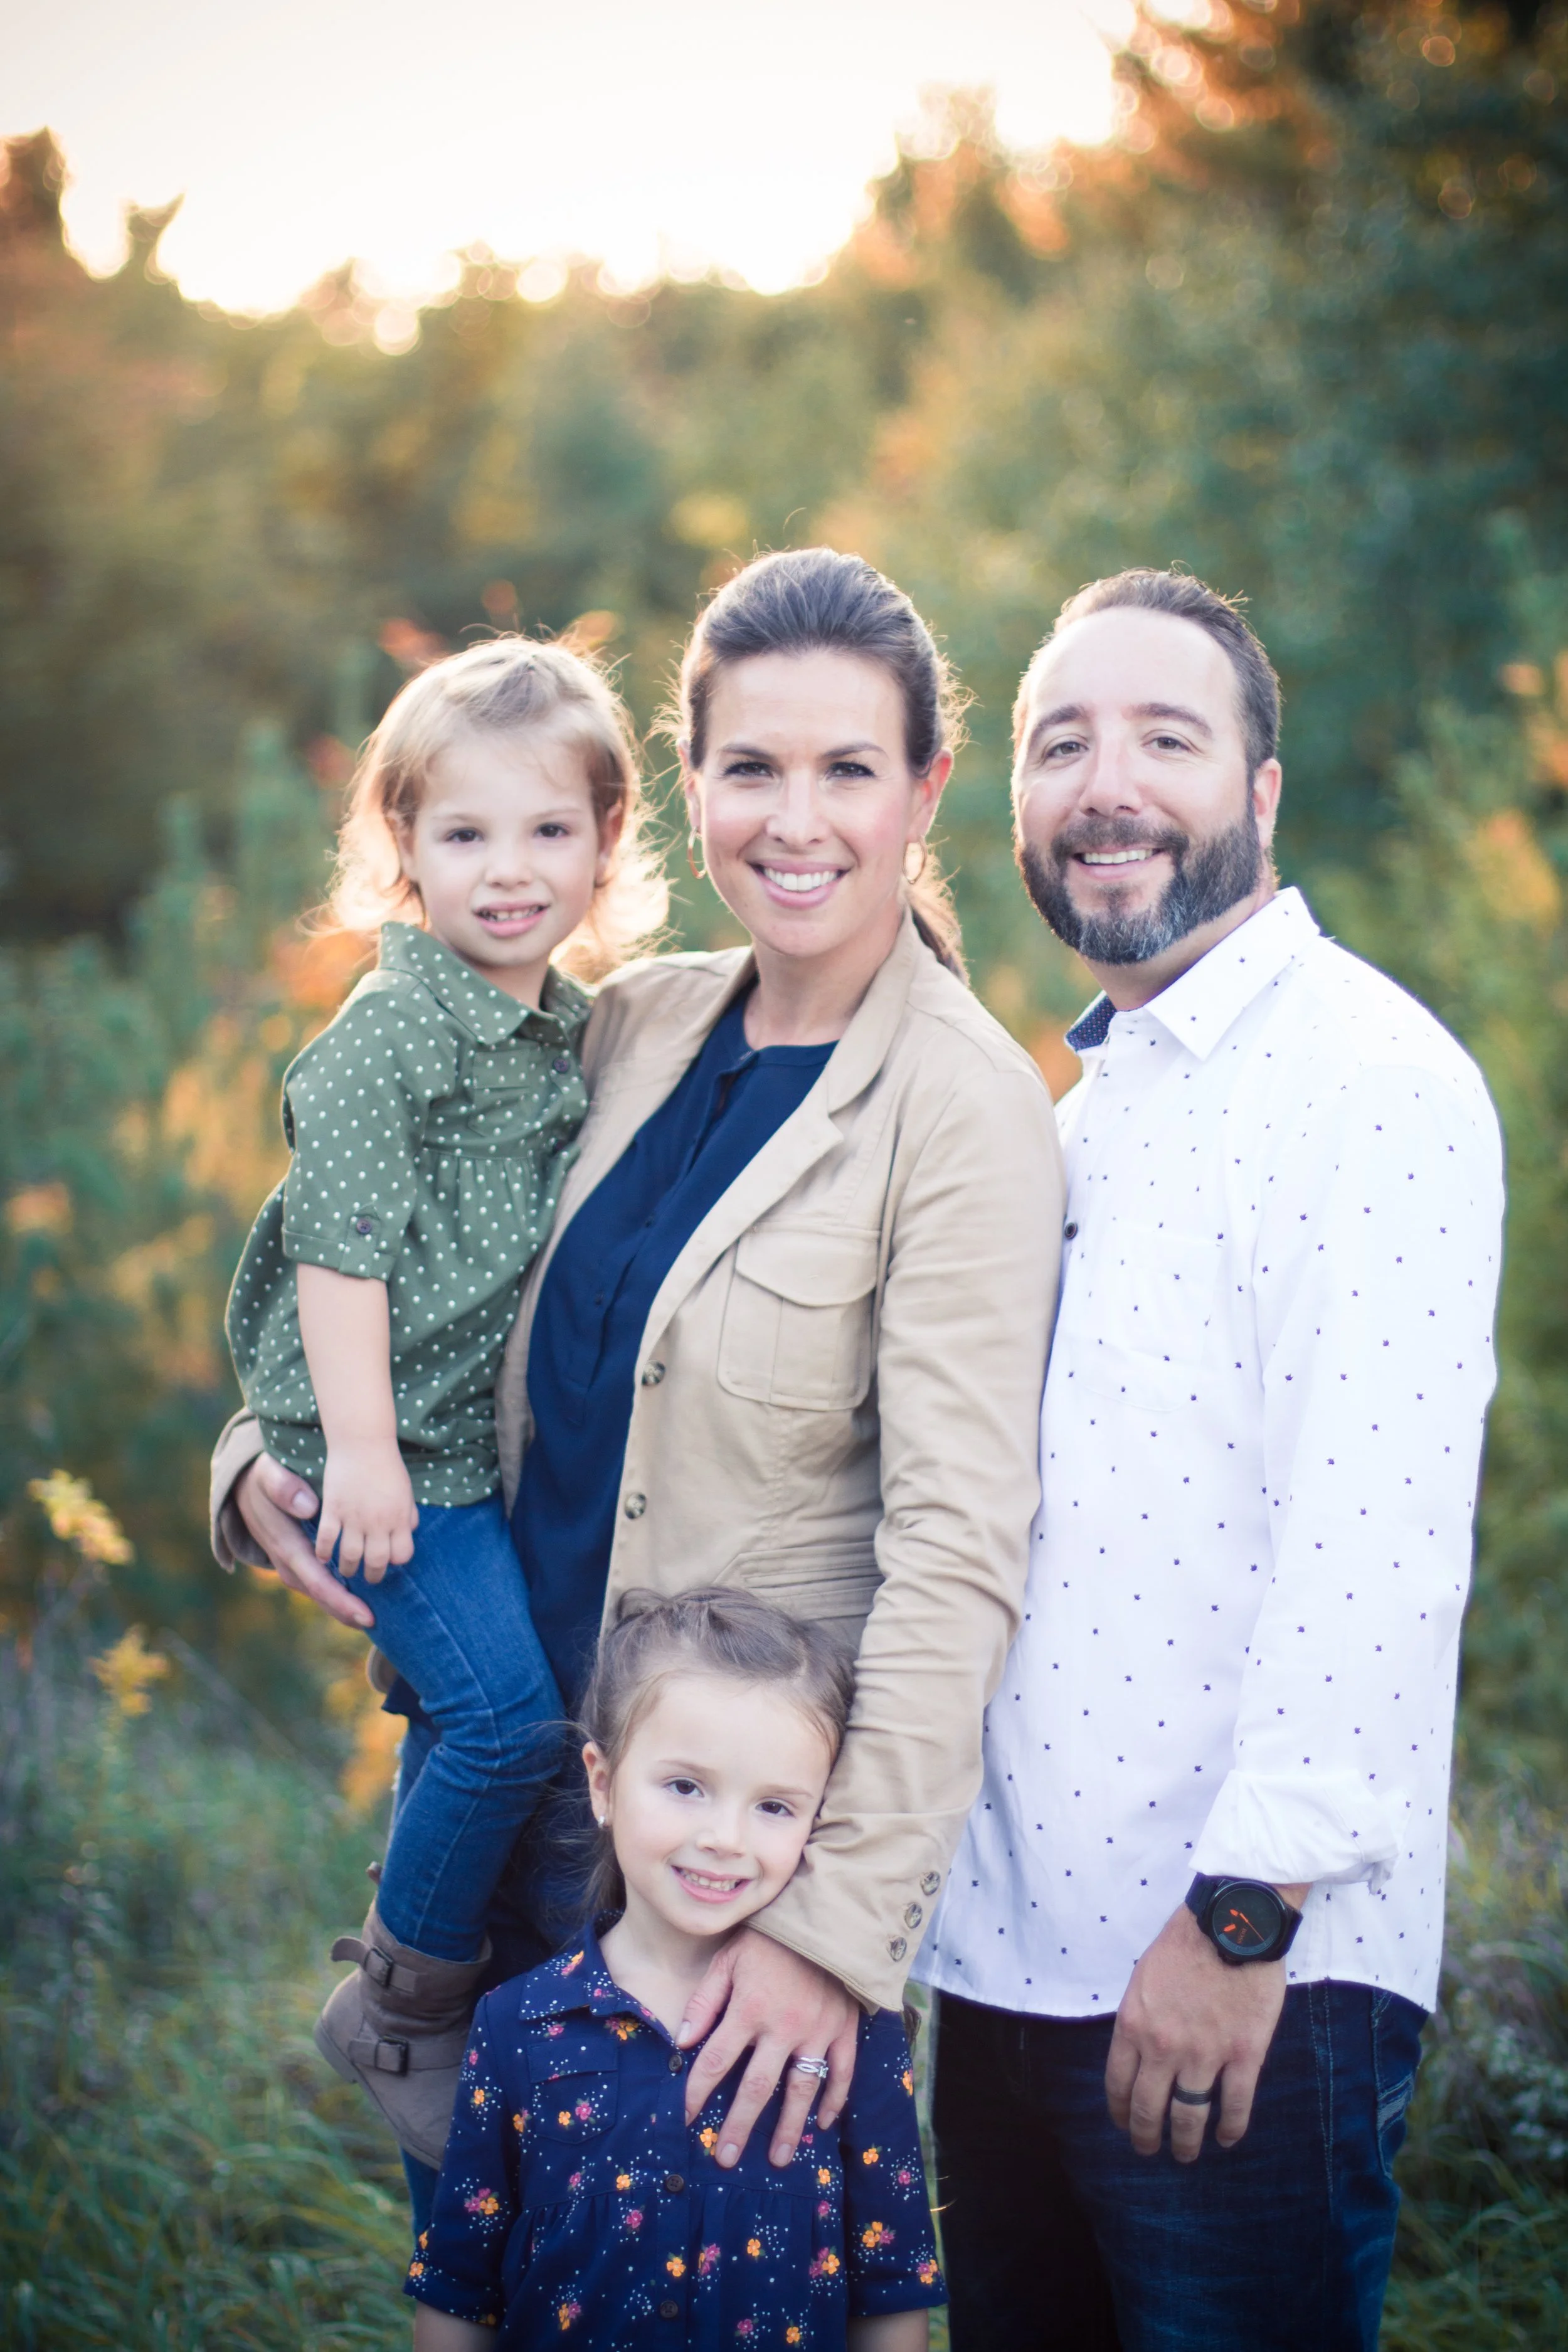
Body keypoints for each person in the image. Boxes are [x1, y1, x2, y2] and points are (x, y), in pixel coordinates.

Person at [210, 548, 1063, 2223]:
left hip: (721, 1894)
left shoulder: (963, 1108)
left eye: (846, 769)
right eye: (752, 768)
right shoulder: (622, 1028)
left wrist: (833, 1933)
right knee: (489, 2291)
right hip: (501, 1801)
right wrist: (261, 1449)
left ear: (925, 788)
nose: (795, 820)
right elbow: (387, 1246)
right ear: (686, 784)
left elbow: (960, 1555)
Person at [921, 568, 1507, 2351]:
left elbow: (1378, 1541)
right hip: (1005, 1968)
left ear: (1259, 789)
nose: (1105, 785)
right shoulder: (1081, 1113)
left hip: (1240, 1976)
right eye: (1059, 745)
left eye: (1163, 739)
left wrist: (1239, 1919)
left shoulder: (1367, 1077)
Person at [223, 636, 665, 2168]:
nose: (510, 869)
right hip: (389, 1451)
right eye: (466, 833)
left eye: (548, 829)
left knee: (474, 1714)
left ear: (606, 843)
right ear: (402, 845)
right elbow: (338, 1255)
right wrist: (356, 1454)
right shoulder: (393, 1032)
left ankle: (441, 2017)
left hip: (459, 1453)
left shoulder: (564, 1027)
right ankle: (400, 2007)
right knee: (504, 1724)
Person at [407, 1589, 945, 2351]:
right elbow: (459, 2285)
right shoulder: (515, 2024)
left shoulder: (855, 2033)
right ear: (602, 1784)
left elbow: (892, 2284)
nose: (725, 1837)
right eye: (686, 1787)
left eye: (775, 1807)